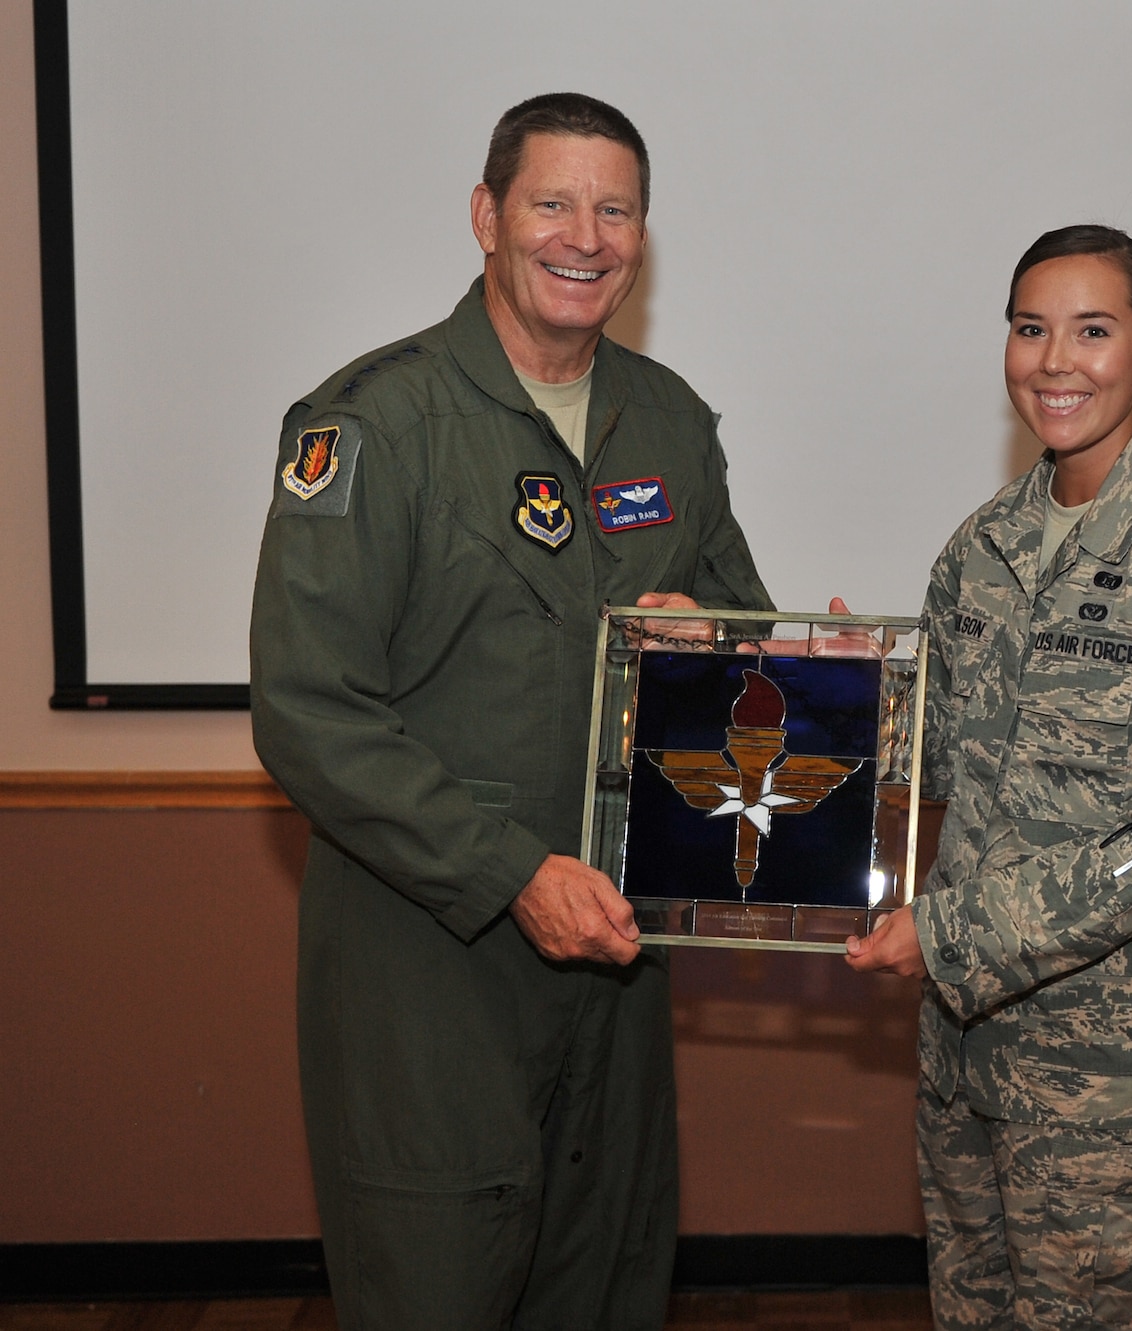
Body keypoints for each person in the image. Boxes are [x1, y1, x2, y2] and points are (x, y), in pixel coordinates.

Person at [249, 93, 776, 1329]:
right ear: (487, 215)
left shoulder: (669, 420)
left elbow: (742, 630)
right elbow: (308, 707)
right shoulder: (371, 422)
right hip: (431, 965)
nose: (583, 235)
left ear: (642, 235)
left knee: (606, 1283)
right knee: (436, 1280)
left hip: (618, 957)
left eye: (615, 208)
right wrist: (507, 870)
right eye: (552, 202)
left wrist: (724, 649)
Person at [845, 225, 1132, 1328]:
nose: (1054, 360)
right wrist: (849, 698)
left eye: (1092, 330)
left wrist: (949, 933)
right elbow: (942, 766)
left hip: (1105, 1089)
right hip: (963, 1060)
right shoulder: (979, 549)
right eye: (1030, 328)